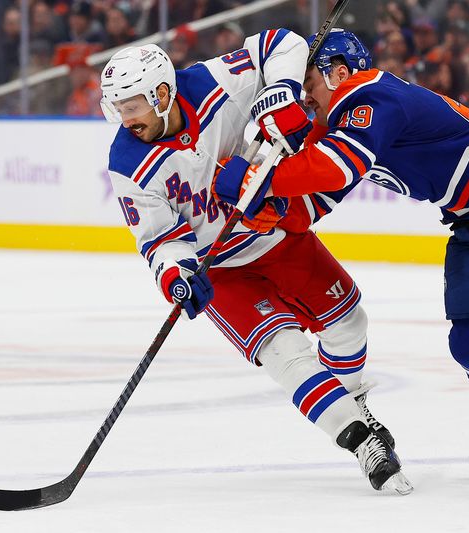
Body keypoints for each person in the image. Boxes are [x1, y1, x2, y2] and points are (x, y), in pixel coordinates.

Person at [215, 29, 469, 478]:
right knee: (468, 337)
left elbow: (335, 167)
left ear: (338, 72)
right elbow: (314, 202)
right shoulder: (341, 127)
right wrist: (265, 209)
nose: (305, 99)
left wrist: (260, 182)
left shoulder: (371, 92)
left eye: (308, 84)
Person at [99, 29, 412, 493]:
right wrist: (177, 274)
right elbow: (159, 238)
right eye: (117, 108)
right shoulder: (128, 163)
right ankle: (361, 438)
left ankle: (354, 400)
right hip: (220, 269)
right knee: (284, 351)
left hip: (272, 234)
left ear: (162, 94)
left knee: (349, 322)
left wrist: (279, 90)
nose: (124, 120)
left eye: (131, 107)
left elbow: (280, 44)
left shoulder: (210, 83)